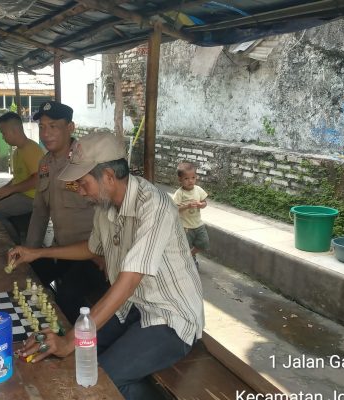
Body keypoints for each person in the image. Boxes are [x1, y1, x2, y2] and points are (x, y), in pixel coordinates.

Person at [11, 132, 204, 399]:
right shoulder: (105, 206)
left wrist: (69, 340)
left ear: (109, 177)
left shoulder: (154, 206)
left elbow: (129, 281)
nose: (80, 191)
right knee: (82, 358)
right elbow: (92, 248)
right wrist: (37, 253)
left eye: (83, 183)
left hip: (171, 316)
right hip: (133, 306)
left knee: (104, 379)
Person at [22, 101, 109, 323]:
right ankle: (39, 327)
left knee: (68, 296)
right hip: (60, 250)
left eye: (53, 126)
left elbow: (109, 209)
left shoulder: (87, 162)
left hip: (92, 255)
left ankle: (77, 339)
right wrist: (30, 251)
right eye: (42, 127)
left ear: (70, 127)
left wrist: (105, 252)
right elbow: (40, 212)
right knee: (27, 276)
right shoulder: (45, 164)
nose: (46, 133)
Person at [0, 111, 44, 244]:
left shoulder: (31, 149)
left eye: (4, 133)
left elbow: (38, 179)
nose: (3, 137)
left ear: (16, 130)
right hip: (22, 194)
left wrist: (11, 190)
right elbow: (18, 179)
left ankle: (12, 243)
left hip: (34, 198)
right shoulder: (17, 151)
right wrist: (4, 189)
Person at [173, 161, 209, 269]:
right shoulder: (179, 193)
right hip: (185, 227)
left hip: (198, 224)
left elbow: (205, 203)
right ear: (180, 179)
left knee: (204, 243)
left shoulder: (198, 190)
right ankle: (189, 261)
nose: (190, 181)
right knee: (185, 247)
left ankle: (190, 256)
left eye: (193, 178)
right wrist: (187, 206)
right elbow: (174, 208)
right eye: (186, 178)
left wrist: (201, 205)